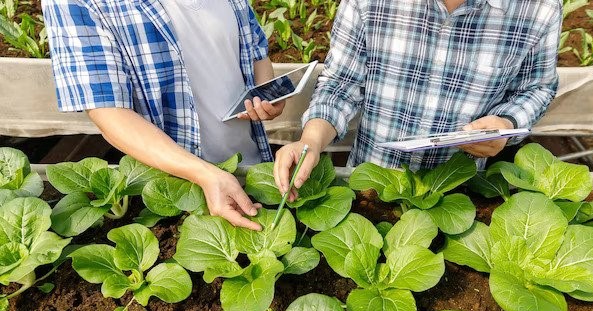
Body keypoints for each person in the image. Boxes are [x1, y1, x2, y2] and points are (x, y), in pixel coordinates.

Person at [274, 0, 561, 197]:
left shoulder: (538, 8)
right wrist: (310, 141)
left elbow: (536, 88)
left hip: (457, 190)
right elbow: (341, 83)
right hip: (373, 182)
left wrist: (505, 124)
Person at [42, 0, 285, 231]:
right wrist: (204, 174)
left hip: (254, 170)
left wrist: (266, 95)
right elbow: (109, 113)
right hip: (177, 196)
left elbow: (255, 51)